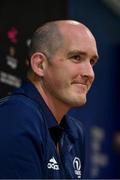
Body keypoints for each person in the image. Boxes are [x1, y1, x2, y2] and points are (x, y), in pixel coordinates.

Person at [0, 20, 99, 179]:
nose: (90, 73)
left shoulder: (75, 131)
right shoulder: (16, 117)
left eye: (92, 62)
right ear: (40, 65)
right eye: (76, 57)